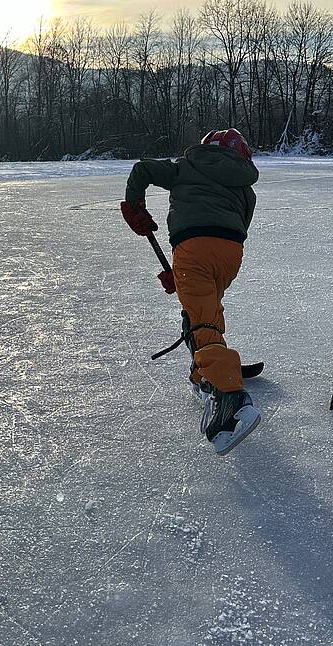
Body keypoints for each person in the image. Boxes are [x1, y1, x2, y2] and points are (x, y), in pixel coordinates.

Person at [120, 129, 261, 456]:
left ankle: (231, 396)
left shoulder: (187, 165)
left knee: (201, 319)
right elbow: (237, 227)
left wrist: (134, 205)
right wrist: (183, 274)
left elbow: (142, 170)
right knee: (206, 312)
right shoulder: (244, 185)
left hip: (192, 247)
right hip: (230, 253)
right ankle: (203, 374)